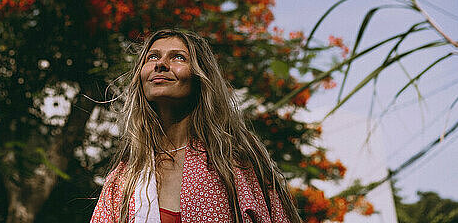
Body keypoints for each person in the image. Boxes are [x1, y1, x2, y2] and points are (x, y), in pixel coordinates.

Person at [90, 28, 302, 223]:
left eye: (178, 57)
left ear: (201, 77)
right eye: (153, 56)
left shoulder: (233, 160)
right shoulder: (124, 178)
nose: (161, 64)